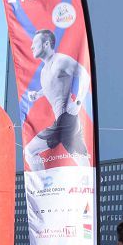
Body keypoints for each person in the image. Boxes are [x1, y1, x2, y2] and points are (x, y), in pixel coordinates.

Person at [24, 29, 91, 171]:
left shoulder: (61, 60)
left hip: (65, 119)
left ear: (46, 44)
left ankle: (41, 189)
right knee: (85, 167)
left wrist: (78, 102)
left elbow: (84, 74)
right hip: (68, 121)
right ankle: (98, 188)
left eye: (35, 43)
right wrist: (37, 94)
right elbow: (53, 86)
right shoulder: (44, 71)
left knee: (30, 151)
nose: (31, 47)